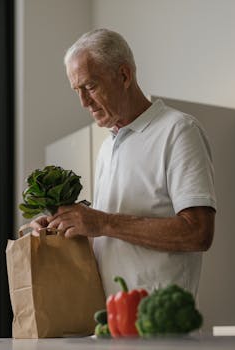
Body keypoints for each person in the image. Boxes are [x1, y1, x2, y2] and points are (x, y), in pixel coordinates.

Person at [30, 28, 216, 297]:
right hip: (112, 324)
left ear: (124, 75)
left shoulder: (178, 130)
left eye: (90, 86)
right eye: (77, 91)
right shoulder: (108, 147)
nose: (83, 102)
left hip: (164, 330)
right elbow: (109, 237)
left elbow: (198, 233)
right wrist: (63, 226)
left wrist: (104, 223)